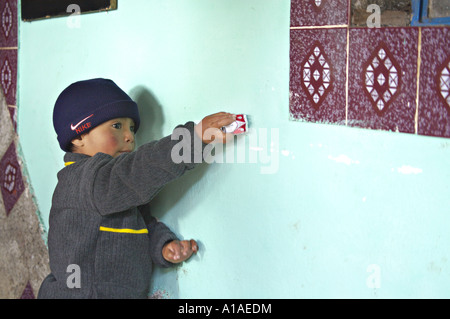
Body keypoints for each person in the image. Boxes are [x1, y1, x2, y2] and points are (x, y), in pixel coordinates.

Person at [38, 78, 234, 298]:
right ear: (80, 135)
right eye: (117, 126)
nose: (130, 136)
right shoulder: (84, 181)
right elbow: (137, 171)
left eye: (132, 128)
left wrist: (162, 246)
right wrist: (194, 139)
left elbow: (139, 223)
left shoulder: (109, 189)